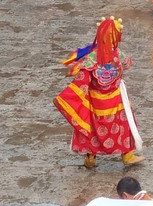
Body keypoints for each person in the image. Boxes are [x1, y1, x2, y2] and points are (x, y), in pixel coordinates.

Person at [54, 17, 143, 169]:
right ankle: (127, 155)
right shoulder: (118, 55)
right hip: (116, 100)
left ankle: (90, 157)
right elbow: (128, 63)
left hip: (96, 102)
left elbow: (81, 78)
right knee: (124, 125)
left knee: (92, 128)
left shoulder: (90, 59)